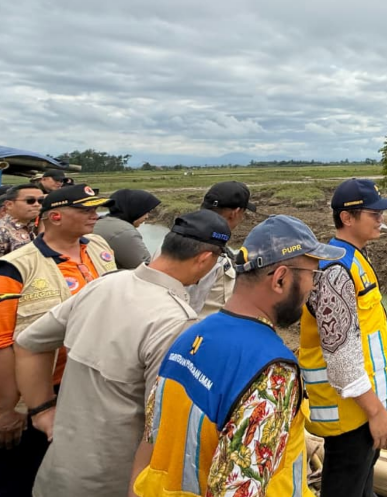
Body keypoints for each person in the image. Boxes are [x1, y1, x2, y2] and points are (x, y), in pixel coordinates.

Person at [13, 210, 230, 497]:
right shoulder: (176, 321)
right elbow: (161, 426)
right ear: (205, 259)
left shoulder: (105, 284)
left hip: (55, 475)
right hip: (113, 482)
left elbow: (28, 343)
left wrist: (41, 410)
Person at [131, 215, 345, 497]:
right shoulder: (271, 371)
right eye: (312, 276)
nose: (314, 287)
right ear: (280, 279)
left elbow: (151, 439)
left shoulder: (191, 336)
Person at [0, 184, 117, 496]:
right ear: (55, 217)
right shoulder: (16, 266)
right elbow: (4, 342)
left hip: (90, 386)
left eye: (97, 208)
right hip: (40, 393)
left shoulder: (99, 247)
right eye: (86, 210)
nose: (96, 215)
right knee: (24, 474)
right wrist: (7, 409)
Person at [299, 178, 387, 497]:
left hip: (360, 409)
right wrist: (376, 412)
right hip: (349, 415)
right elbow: (341, 357)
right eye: (374, 213)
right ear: (347, 218)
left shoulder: (354, 258)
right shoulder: (336, 269)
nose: (381, 219)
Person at [186, 181, 256, 318]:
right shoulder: (210, 252)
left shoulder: (178, 236)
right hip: (203, 334)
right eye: (243, 213)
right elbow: (190, 308)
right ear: (235, 213)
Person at [93, 188, 162, 269]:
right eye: (145, 212)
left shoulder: (103, 221)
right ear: (135, 209)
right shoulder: (124, 232)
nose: (147, 216)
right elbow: (146, 269)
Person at [0, 185, 44, 257]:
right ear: (9, 205)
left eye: (40, 201)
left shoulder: (29, 228)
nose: (37, 204)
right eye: (30, 201)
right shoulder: (2, 230)